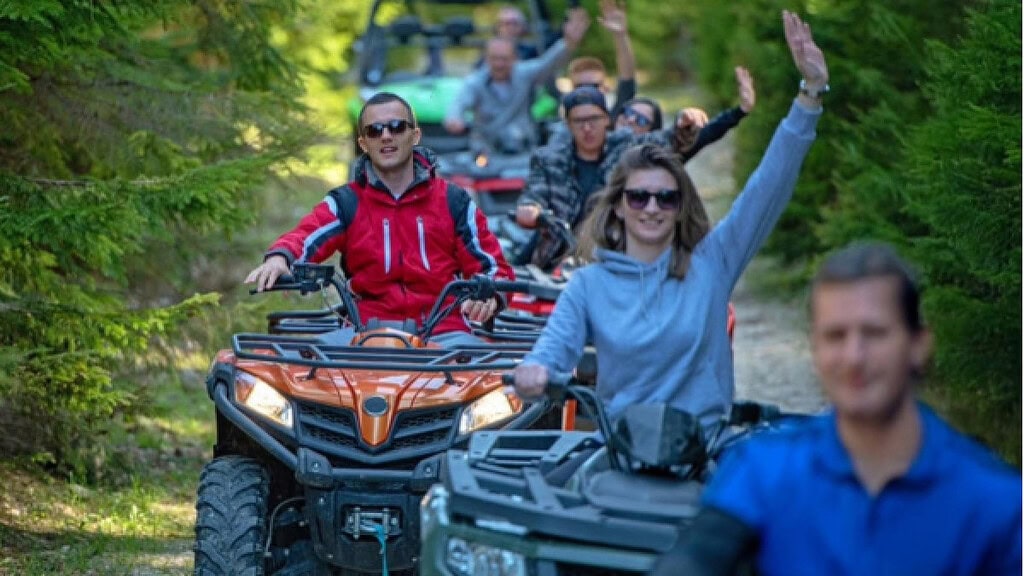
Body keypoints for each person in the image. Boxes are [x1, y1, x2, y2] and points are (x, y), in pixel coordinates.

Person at [513, 11, 828, 430]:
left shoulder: (713, 263)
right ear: (619, 205)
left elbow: (768, 185)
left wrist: (809, 95)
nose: (651, 207)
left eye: (666, 197)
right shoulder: (589, 285)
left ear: (681, 206)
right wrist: (534, 371)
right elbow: (552, 351)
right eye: (638, 196)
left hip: (703, 444)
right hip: (621, 450)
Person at [651, 242, 1023, 576]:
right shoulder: (764, 469)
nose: (853, 357)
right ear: (814, 349)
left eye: (874, 333)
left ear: (918, 345)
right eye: (835, 336)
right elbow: (695, 559)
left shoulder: (993, 499)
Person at [246, 92, 512, 345]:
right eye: (375, 130)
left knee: (487, 382)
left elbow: (494, 269)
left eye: (396, 127)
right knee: (308, 378)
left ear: (415, 135)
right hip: (363, 333)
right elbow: (306, 235)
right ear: (363, 144)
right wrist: (280, 257)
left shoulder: (453, 201)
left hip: (445, 334)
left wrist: (492, 295)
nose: (386, 136)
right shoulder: (346, 202)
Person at [513, 85, 712, 270]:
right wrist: (531, 211)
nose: (587, 128)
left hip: (613, 259)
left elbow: (673, 140)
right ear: (568, 124)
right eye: (579, 121)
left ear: (607, 119)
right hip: (554, 263)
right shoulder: (548, 158)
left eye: (594, 119)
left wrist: (685, 123)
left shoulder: (627, 147)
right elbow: (532, 197)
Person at [444, 7, 589, 154]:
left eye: (504, 59)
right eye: (495, 59)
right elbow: (458, 104)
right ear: (486, 59)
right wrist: (454, 119)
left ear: (515, 59)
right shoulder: (475, 81)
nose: (499, 64)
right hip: (487, 151)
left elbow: (548, 63)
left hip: (523, 149)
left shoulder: (524, 73)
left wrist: (569, 43)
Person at [614, 66, 756, 144]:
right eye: (627, 112)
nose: (630, 120)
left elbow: (704, 135)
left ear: (652, 131)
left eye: (641, 120)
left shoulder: (656, 153)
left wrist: (741, 110)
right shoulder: (598, 142)